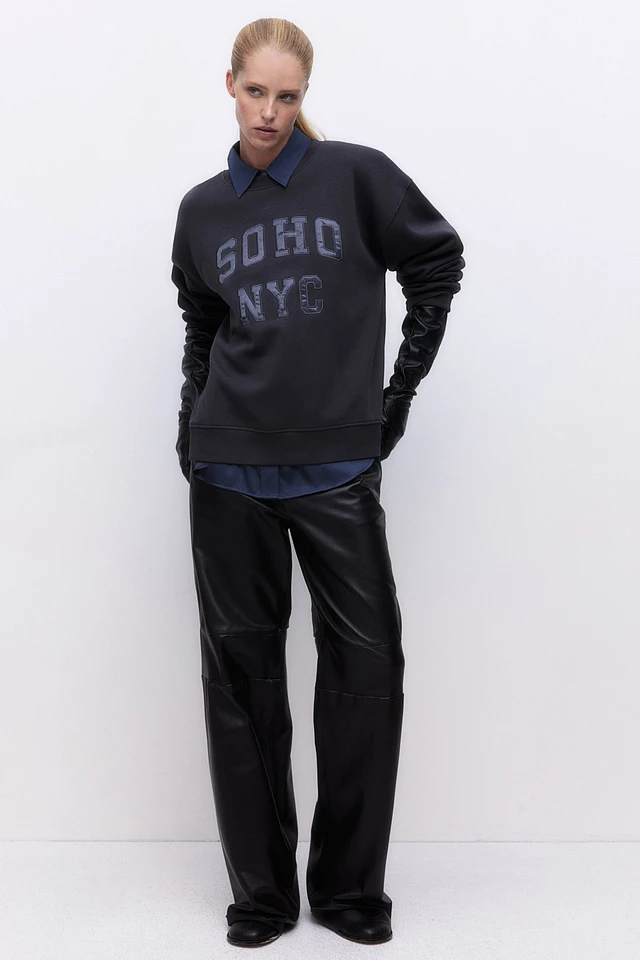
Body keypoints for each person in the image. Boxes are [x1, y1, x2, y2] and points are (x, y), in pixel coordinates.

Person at [170, 17, 465, 949]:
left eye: (287, 95)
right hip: (228, 470)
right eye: (256, 91)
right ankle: (262, 896)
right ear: (229, 85)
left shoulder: (356, 176)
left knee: (369, 668)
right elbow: (201, 321)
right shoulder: (202, 209)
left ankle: (346, 891)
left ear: (305, 95)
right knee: (241, 680)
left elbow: (438, 261)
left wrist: (395, 397)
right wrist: (190, 421)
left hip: (337, 469)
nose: (269, 111)